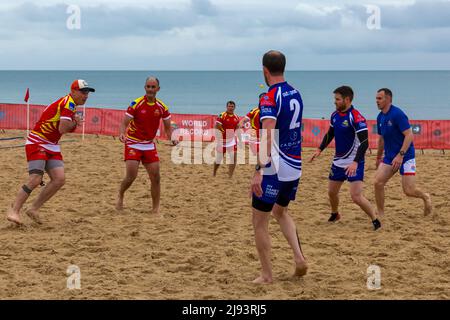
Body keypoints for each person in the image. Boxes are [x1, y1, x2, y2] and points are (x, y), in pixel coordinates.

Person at [250, 50, 307, 284]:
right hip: (295, 166)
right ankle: (299, 258)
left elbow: (267, 134)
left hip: (275, 167)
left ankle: (267, 275)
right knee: (280, 212)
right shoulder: (296, 93)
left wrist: (257, 170)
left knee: (259, 222)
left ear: (265, 71)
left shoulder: (269, 97)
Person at [6, 79, 94, 225]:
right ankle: (14, 210)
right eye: (83, 92)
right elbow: (63, 129)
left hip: (51, 144)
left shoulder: (70, 105)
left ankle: (33, 209)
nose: (86, 96)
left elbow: (62, 128)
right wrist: (75, 123)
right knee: (35, 178)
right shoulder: (68, 103)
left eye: (87, 93)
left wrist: (74, 123)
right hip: (37, 141)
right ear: (73, 91)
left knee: (59, 179)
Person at [310, 86, 381, 230]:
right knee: (331, 193)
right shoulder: (335, 115)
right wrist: (319, 149)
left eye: (337, 99)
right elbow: (330, 134)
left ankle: (375, 219)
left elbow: (365, 142)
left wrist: (355, 162)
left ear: (347, 100)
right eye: (334, 99)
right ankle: (335, 213)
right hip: (338, 162)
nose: (334, 102)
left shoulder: (356, 116)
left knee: (356, 197)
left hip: (355, 162)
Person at [116, 77, 178, 215]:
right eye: (148, 86)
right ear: (145, 87)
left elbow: (168, 128)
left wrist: (172, 138)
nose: (150, 89)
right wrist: (121, 133)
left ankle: (155, 209)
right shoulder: (136, 103)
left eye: (153, 87)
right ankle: (120, 195)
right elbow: (124, 122)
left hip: (149, 145)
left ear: (158, 89)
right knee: (131, 176)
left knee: (156, 177)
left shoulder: (162, 107)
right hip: (132, 142)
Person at [373, 88, 432, 216]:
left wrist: (400, 155)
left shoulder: (397, 114)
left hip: (406, 156)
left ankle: (426, 197)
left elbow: (409, 135)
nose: (376, 101)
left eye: (379, 98)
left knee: (409, 191)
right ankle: (381, 214)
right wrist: (378, 157)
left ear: (388, 99)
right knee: (378, 182)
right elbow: (382, 139)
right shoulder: (380, 117)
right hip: (390, 157)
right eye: (376, 98)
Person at [213, 101, 240, 178]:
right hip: (222, 141)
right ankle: (214, 173)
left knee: (233, 159)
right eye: (229, 106)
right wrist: (222, 134)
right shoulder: (222, 115)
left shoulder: (236, 117)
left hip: (232, 141)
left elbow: (237, 127)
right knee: (219, 159)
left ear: (234, 107)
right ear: (226, 107)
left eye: (232, 106)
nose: (230, 108)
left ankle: (230, 176)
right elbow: (217, 126)